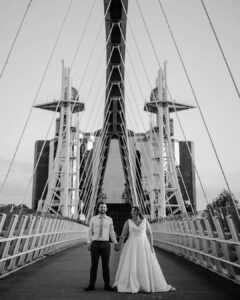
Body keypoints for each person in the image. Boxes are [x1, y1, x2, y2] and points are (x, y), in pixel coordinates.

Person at [113, 206, 175, 293]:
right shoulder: (128, 222)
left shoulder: (145, 221)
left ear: (138, 212)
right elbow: (123, 235)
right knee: (132, 263)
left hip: (144, 244)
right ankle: (131, 283)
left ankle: (145, 284)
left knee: (144, 263)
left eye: (134, 211)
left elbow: (149, 234)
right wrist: (119, 246)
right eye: (131, 211)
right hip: (131, 245)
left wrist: (151, 246)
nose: (132, 213)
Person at [85, 202, 118, 291]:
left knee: (106, 266)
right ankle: (91, 285)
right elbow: (89, 231)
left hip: (106, 244)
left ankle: (107, 285)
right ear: (98, 208)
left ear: (106, 209)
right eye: (101, 207)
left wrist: (115, 242)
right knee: (94, 265)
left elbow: (111, 231)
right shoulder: (93, 219)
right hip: (95, 244)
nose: (102, 209)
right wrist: (89, 242)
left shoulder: (109, 219)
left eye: (104, 207)